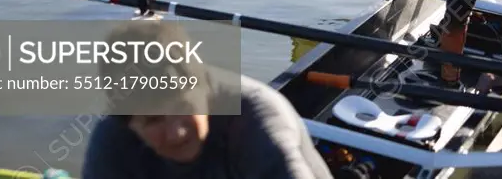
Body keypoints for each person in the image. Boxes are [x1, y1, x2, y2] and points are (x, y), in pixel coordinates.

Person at [82, 20, 333, 179]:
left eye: (183, 107)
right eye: (153, 120)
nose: (177, 133)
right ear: (127, 123)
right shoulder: (112, 141)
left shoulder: (255, 121)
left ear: (204, 86)